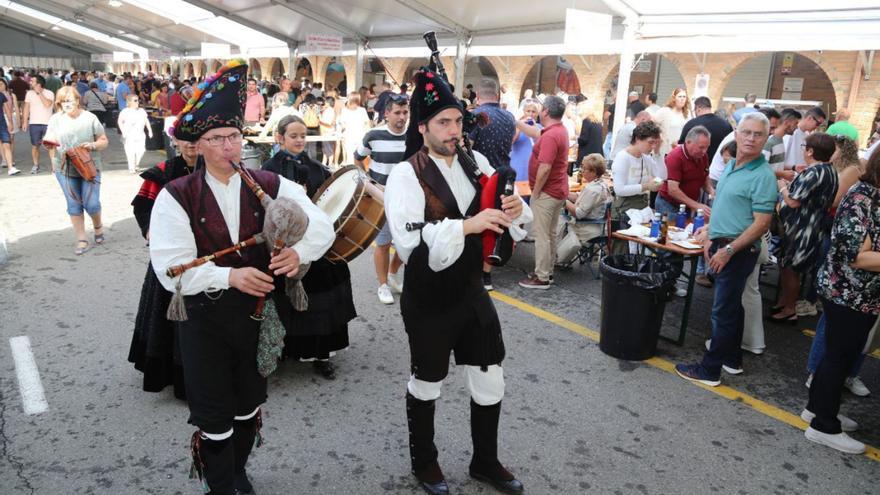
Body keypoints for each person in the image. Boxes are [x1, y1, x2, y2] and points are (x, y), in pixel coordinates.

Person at [149, 60, 334, 495]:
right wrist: (229, 279)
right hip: (203, 320)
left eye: (234, 137)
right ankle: (221, 484)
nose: (229, 148)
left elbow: (320, 223)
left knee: (249, 406)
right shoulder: (177, 196)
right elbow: (169, 270)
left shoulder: (268, 181)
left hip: (255, 317)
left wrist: (298, 253)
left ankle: (237, 471)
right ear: (198, 146)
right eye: (217, 140)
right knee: (214, 415)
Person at [385, 65, 530, 495]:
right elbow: (410, 243)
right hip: (429, 296)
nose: (453, 130)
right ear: (423, 127)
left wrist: (513, 209)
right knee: (427, 381)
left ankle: (485, 460)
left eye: (457, 121)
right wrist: (468, 225)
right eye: (443, 122)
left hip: (471, 290)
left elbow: (499, 207)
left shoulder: (477, 162)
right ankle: (425, 464)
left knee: (490, 376)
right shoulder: (405, 175)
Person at [675, 112, 777, 386]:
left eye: (758, 134)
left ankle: (709, 370)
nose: (751, 138)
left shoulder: (763, 175)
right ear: (737, 134)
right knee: (732, 307)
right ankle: (732, 359)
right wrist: (710, 233)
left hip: (738, 250)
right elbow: (724, 205)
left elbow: (762, 223)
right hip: (722, 243)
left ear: (766, 139)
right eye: (747, 132)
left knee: (722, 311)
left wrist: (728, 249)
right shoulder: (732, 165)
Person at [260, 115, 354, 379]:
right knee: (283, 298)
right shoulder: (269, 170)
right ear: (280, 138)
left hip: (314, 243)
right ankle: (287, 349)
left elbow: (330, 197)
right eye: (293, 136)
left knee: (323, 296)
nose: (300, 140)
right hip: (283, 243)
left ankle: (322, 354)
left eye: (303, 135)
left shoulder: (315, 166)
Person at [803, 147, 880, 455]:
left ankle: (817, 410)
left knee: (839, 355)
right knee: (840, 356)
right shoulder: (863, 197)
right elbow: (857, 255)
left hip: (860, 295)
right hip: (848, 294)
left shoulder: (872, 196)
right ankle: (823, 426)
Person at [129, 135, 200, 400]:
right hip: (169, 256)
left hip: (205, 255)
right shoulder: (162, 174)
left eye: (197, 139)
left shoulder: (214, 169)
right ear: (176, 142)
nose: (192, 145)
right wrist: (149, 230)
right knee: (165, 316)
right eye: (186, 140)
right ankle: (169, 374)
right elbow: (143, 206)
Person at [805, 135, 872, 396]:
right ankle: (817, 376)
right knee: (835, 330)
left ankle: (847, 374)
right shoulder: (861, 191)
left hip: (865, 288)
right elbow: (854, 253)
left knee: (859, 337)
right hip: (846, 283)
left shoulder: (850, 172)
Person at [770, 133, 839, 323]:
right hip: (810, 227)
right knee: (788, 267)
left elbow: (793, 201)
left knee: (791, 269)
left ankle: (790, 309)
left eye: (804, 147)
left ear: (810, 151)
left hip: (802, 230)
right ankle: (785, 302)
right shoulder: (829, 170)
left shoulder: (815, 172)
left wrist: (782, 186)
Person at [354, 94, 409, 304]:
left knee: (407, 243)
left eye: (405, 112)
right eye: (397, 112)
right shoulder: (373, 135)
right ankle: (383, 284)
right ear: (387, 113)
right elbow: (358, 158)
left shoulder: (414, 137)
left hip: (406, 200)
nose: (402, 117)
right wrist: (368, 182)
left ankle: (394, 273)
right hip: (381, 199)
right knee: (384, 244)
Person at [43, 86, 108, 256]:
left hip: (89, 166)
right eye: (63, 101)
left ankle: (98, 226)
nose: (67, 104)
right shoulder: (55, 119)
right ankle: (82, 239)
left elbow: (103, 140)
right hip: (63, 168)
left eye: (70, 100)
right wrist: (50, 146)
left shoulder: (90, 118)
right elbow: (50, 139)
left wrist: (93, 145)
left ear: (77, 100)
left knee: (92, 204)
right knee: (73, 204)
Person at [517, 95, 570, 289]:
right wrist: (516, 121)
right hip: (557, 190)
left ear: (545, 112)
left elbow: (545, 167)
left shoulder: (550, 135)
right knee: (550, 233)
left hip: (547, 192)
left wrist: (536, 192)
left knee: (541, 235)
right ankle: (548, 272)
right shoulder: (558, 130)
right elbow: (534, 133)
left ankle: (541, 277)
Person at [470, 78, 517, 291]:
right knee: (497, 222)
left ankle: (473, 269)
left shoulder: (477, 116)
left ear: (478, 97)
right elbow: (512, 141)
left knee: (478, 222)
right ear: (497, 96)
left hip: (481, 177)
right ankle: (487, 275)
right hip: (504, 176)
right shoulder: (510, 117)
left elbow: (468, 148)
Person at [609, 121, 664, 255]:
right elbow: (619, 189)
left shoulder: (646, 157)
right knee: (624, 251)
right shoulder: (622, 158)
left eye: (655, 143)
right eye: (651, 142)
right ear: (638, 139)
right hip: (624, 209)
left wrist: (657, 153)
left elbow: (662, 176)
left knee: (642, 249)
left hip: (642, 208)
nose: (652, 146)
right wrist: (646, 186)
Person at [655, 125, 713, 217]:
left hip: (687, 205)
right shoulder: (675, 157)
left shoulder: (702, 156)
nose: (704, 151)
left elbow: (705, 177)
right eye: (701, 147)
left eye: (707, 147)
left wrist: (712, 191)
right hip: (669, 205)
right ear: (688, 142)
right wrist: (696, 205)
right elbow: (673, 190)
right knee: (669, 230)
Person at [560, 153, 611, 253]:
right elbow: (579, 197)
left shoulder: (593, 190)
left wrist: (563, 201)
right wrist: (564, 193)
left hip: (588, 228)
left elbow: (579, 213)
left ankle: (557, 257)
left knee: (557, 220)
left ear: (594, 172)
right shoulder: (600, 184)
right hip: (596, 225)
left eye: (584, 169)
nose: (582, 171)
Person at [678, 96, 732, 161]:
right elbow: (732, 146)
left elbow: (682, 148)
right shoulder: (726, 125)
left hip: (695, 165)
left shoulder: (691, 124)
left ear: (698, 108)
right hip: (720, 167)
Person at [22, 75, 55, 175]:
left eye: (32, 81)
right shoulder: (29, 94)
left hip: (48, 123)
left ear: (39, 83)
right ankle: (36, 165)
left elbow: (47, 105)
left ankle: (54, 167)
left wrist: (39, 93)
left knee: (50, 146)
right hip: (34, 123)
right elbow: (26, 108)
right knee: (35, 146)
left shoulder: (49, 93)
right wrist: (24, 121)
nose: (30, 82)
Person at [118, 94, 153, 174]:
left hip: (140, 134)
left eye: (138, 100)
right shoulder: (125, 111)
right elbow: (120, 121)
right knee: (130, 151)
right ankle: (131, 168)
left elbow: (146, 121)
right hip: (129, 134)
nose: (137, 102)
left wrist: (150, 130)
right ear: (129, 102)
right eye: (135, 100)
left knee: (141, 150)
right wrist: (123, 131)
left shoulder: (141, 111)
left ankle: (136, 164)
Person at [764, 108, 801, 180]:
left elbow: (775, 165)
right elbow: (762, 169)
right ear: (786, 123)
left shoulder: (780, 140)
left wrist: (793, 167)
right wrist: (782, 174)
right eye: (795, 123)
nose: (797, 127)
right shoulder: (769, 142)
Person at [653, 88, 691, 157]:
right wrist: (659, 136)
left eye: (684, 97)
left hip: (682, 151)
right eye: (680, 96)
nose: (682, 99)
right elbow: (652, 122)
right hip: (666, 150)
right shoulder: (665, 111)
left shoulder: (688, 113)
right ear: (674, 98)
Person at [509, 101, 541, 181]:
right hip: (517, 165)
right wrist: (520, 126)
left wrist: (534, 129)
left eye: (533, 112)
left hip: (533, 165)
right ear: (524, 112)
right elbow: (511, 141)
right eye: (528, 111)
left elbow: (541, 144)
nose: (531, 114)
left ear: (537, 114)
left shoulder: (540, 128)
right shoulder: (516, 126)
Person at [339, 92, 370, 165]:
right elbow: (367, 124)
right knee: (360, 159)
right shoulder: (362, 110)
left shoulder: (344, 111)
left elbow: (342, 125)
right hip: (360, 136)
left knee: (350, 158)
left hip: (349, 136)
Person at [318, 95, 337, 167]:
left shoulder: (329, 111)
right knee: (325, 150)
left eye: (325, 101)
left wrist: (320, 121)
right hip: (326, 131)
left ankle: (329, 165)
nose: (324, 103)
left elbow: (329, 124)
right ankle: (324, 164)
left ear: (328, 103)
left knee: (329, 150)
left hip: (328, 132)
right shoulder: (328, 110)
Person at [0, 79, 14, 174]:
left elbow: (7, 110)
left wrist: (10, 122)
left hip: (2, 123)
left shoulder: (1, 95)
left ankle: (10, 168)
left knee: (7, 144)